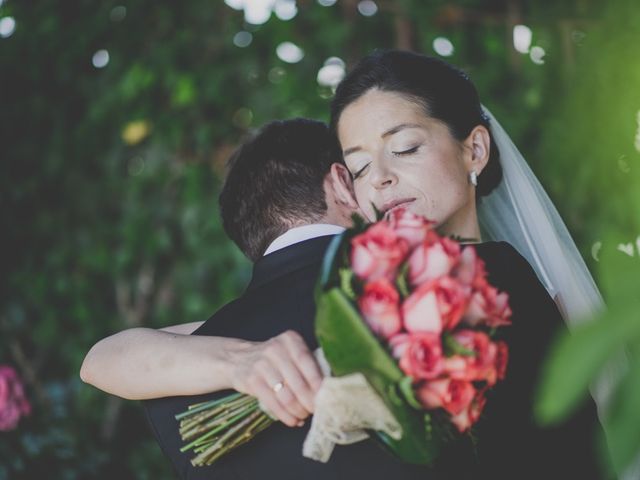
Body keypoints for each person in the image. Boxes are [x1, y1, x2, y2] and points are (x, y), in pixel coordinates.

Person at [81, 50, 613, 479]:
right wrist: (244, 362)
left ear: (475, 149)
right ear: (345, 189)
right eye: (358, 167)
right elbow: (112, 355)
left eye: (404, 148)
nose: (379, 178)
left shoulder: (493, 278)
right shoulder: (364, 289)